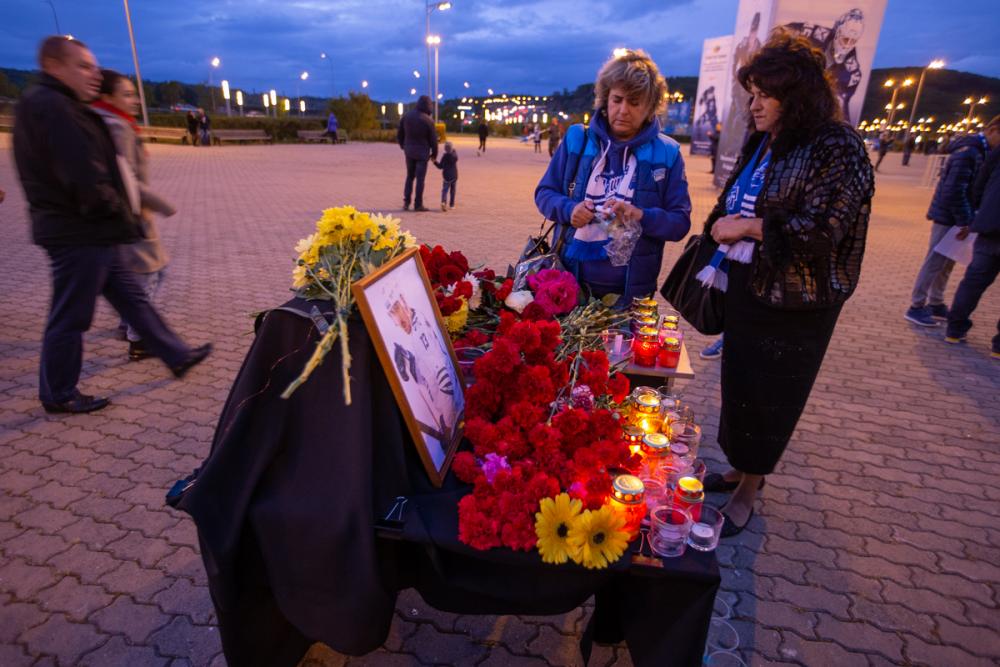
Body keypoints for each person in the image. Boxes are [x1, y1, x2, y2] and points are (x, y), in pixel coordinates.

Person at [699, 32, 874, 536]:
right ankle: (737, 467)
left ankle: (750, 490)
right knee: (740, 383)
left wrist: (750, 227)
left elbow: (824, 232)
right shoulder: (766, 139)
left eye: (762, 95)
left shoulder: (837, 146)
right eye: (750, 94)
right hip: (749, 282)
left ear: (793, 97)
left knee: (772, 394)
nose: (752, 105)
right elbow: (739, 196)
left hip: (797, 299)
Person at [12, 36, 211, 414]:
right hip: (79, 231)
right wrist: (118, 211)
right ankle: (58, 392)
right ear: (54, 66)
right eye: (83, 66)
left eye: (94, 66)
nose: (94, 74)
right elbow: (83, 175)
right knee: (71, 315)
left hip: (92, 229)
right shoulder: (52, 107)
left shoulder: (58, 104)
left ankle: (177, 354)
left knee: (132, 299)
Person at [535, 49, 691, 304]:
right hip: (567, 287)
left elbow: (680, 223)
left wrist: (641, 216)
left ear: (650, 107)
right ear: (605, 99)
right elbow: (544, 193)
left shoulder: (668, 152)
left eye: (635, 102)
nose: (623, 110)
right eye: (617, 99)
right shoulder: (577, 139)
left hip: (631, 296)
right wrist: (569, 209)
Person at [93, 68, 177, 361]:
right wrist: (163, 205)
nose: (134, 101)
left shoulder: (106, 121)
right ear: (107, 97)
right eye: (126, 94)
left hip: (120, 212)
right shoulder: (117, 127)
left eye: (134, 94)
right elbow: (127, 177)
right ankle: (139, 338)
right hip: (132, 211)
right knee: (151, 273)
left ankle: (126, 324)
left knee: (131, 273)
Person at [904, 123, 992, 326]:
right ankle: (916, 305)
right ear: (993, 129)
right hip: (949, 217)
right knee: (935, 261)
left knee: (947, 262)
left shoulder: (978, 151)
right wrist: (964, 221)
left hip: (960, 216)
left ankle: (936, 301)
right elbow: (954, 190)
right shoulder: (968, 152)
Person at [945, 115, 1000, 358]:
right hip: (990, 223)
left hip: (991, 224)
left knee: (974, 279)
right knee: (974, 280)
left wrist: (980, 209)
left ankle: (954, 329)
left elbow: (981, 180)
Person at [783, 8, 865, 124]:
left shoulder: (853, 73)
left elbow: (841, 107)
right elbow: (784, 32)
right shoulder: (815, 33)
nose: (847, 45)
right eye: (845, 39)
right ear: (837, 31)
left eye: (852, 41)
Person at [397, 95, 437, 212]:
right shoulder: (428, 120)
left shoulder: (407, 116)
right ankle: (418, 204)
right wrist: (434, 154)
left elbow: (400, 134)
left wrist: (403, 146)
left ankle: (406, 202)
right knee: (420, 179)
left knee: (410, 176)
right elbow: (433, 140)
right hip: (422, 153)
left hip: (409, 152)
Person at [433, 141, 458, 211]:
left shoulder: (444, 157)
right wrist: (453, 150)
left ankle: (443, 202)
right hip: (454, 175)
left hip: (446, 176)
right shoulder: (455, 156)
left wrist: (434, 162)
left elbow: (440, 166)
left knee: (445, 190)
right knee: (453, 191)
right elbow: (455, 154)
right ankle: (452, 205)